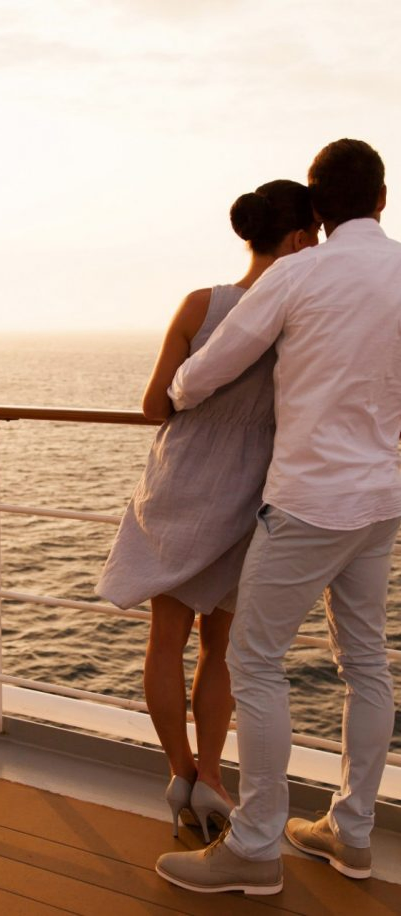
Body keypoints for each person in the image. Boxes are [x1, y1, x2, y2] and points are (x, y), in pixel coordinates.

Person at [156, 138, 401, 896]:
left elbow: (211, 365)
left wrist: (180, 395)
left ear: (318, 208)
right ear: (382, 198)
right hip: (381, 499)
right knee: (366, 663)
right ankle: (350, 833)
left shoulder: (300, 272)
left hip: (308, 503)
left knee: (254, 663)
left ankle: (255, 847)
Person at [96, 181, 319, 841]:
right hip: (247, 497)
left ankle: (180, 773)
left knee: (164, 640)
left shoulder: (201, 304)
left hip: (177, 487)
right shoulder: (298, 317)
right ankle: (213, 779)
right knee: (219, 648)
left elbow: (153, 406)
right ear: (299, 238)